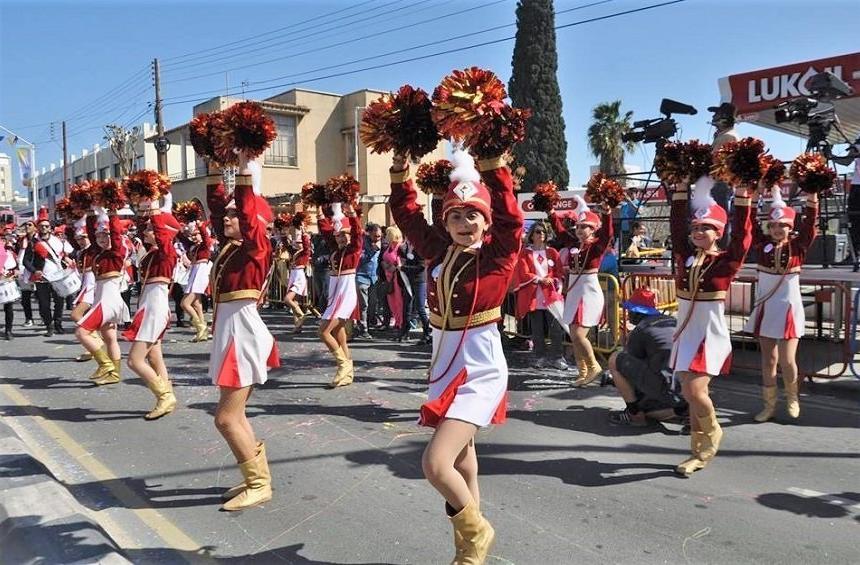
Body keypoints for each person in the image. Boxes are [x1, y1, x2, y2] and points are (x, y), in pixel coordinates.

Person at [390, 147, 522, 564]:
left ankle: (477, 530)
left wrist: (492, 167)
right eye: (455, 216)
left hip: (480, 370)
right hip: (444, 368)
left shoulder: (497, 257)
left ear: (486, 221)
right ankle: (469, 553)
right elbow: (408, 216)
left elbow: (511, 219)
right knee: (464, 460)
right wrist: (399, 169)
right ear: (444, 222)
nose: (464, 223)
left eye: (473, 215)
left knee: (435, 463)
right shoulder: (437, 251)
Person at [207, 153, 279, 511]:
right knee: (235, 415)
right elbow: (218, 205)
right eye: (229, 214)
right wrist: (215, 168)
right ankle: (256, 479)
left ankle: (259, 482)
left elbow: (250, 215)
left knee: (225, 418)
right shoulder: (234, 248)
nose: (228, 217)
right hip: (229, 331)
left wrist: (248, 168)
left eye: (236, 214)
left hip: (241, 335)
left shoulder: (256, 247)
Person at [669, 175, 752, 477]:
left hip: (708, 335)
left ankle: (714, 432)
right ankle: (697, 453)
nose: (699, 232)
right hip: (685, 333)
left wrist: (743, 196)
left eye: (707, 227)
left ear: (718, 232)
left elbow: (743, 236)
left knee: (694, 390)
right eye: (696, 227)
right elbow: (676, 227)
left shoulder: (725, 261)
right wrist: (680, 189)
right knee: (690, 396)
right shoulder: (685, 256)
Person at [744, 187, 817, 422]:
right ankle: (769, 405)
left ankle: (793, 397)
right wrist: (753, 198)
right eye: (774, 226)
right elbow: (747, 224)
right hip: (767, 309)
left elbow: (810, 224)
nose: (777, 229)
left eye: (782, 225)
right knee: (769, 360)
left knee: (787, 360)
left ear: (790, 227)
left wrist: (812, 197)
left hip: (788, 310)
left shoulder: (799, 246)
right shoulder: (761, 245)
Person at [123, 195, 182, 420]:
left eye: (150, 228)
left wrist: (156, 210)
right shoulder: (154, 253)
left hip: (154, 308)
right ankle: (169, 394)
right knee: (155, 357)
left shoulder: (167, 252)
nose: (145, 230)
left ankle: (163, 395)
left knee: (134, 360)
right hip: (149, 306)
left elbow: (160, 232)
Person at [550, 195, 614, 387]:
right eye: (578, 226)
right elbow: (560, 231)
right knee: (573, 333)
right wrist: (550, 212)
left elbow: (607, 234)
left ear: (593, 229)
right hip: (574, 292)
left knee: (579, 335)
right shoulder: (573, 245)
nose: (579, 230)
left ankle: (594, 366)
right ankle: (582, 371)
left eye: (584, 226)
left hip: (588, 292)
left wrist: (607, 212)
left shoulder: (596, 247)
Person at [607, 287, 686, 426]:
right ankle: (682, 410)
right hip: (688, 387)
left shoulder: (641, 329)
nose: (628, 314)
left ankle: (634, 414)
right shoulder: (671, 321)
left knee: (615, 359)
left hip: (667, 386)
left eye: (630, 311)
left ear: (637, 313)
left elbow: (630, 362)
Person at [74, 206, 132, 386]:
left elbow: (115, 234)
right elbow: (91, 234)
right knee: (109, 338)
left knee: (81, 331)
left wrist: (112, 212)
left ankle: (105, 364)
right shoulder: (98, 253)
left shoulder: (117, 251)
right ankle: (114, 374)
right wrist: (91, 212)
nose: (100, 239)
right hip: (104, 299)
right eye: (98, 237)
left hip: (108, 301)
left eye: (104, 236)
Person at [317, 203, 364, 388]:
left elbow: (358, 232)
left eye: (344, 234)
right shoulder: (336, 250)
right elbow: (326, 233)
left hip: (345, 292)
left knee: (323, 331)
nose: (340, 238)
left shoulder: (354, 249)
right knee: (338, 332)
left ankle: (343, 365)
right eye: (338, 235)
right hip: (335, 292)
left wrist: (352, 213)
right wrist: (320, 214)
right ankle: (347, 373)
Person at [512, 222, 567, 370]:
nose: (541, 234)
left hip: (551, 295)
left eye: (544, 231)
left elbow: (559, 272)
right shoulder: (525, 252)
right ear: (531, 235)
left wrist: (557, 284)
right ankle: (540, 357)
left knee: (555, 327)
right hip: (534, 296)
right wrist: (540, 279)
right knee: (537, 329)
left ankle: (557, 357)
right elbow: (523, 273)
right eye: (537, 231)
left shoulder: (553, 252)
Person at [25, 209, 71, 336]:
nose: (44, 228)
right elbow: (26, 261)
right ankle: (49, 325)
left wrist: (68, 261)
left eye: (46, 226)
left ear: (50, 228)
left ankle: (58, 324)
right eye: (41, 226)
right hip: (42, 278)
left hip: (58, 277)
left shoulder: (58, 241)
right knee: (44, 304)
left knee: (59, 302)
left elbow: (65, 256)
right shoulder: (33, 243)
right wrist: (35, 271)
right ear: (38, 228)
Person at [69, 218, 99, 363]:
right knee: (84, 316)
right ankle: (93, 347)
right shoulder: (81, 251)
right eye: (79, 238)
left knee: (76, 314)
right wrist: (71, 220)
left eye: (84, 237)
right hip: (85, 282)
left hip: (92, 283)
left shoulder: (93, 248)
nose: (81, 240)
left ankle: (96, 344)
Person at [830, 137, 860, 270]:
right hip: (857, 186)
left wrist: (831, 156)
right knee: (853, 220)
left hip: (858, 187)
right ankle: (853, 256)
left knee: (854, 220)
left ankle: (854, 256)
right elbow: (848, 161)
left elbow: (847, 161)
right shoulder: (858, 142)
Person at [181, 221, 213, 342]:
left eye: (196, 234)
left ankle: (200, 327)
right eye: (193, 235)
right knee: (196, 304)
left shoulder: (205, 245)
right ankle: (202, 331)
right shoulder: (194, 246)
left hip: (200, 272)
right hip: (194, 271)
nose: (194, 237)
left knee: (185, 303)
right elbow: (182, 239)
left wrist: (201, 225)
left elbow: (205, 236)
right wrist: (180, 228)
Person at [397, 238, 431, 344]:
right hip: (408, 280)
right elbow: (402, 259)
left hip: (420, 280)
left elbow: (421, 266)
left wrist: (403, 268)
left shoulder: (421, 248)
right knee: (407, 306)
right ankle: (404, 332)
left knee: (420, 307)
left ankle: (427, 333)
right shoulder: (405, 247)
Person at [355, 222, 382, 339]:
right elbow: (359, 259)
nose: (377, 238)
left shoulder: (382, 243)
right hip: (362, 276)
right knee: (363, 304)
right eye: (375, 236)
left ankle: (370, 324)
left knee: (373, 303)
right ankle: (363, 329)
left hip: (374, 278)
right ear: (369, 233)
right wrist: (372, 251)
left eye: (379, 236)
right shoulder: (362, 243)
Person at [284, 218, 312, 333]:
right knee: (294, 302)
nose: (297, 243)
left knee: (287, 299)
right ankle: (298, 326)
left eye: (299, 242)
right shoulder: (294, 251)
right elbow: (286, 244)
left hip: (299, 276)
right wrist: (284, 231)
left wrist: (304, 233)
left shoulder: (305, 252)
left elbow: (306, 246)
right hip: (293, 275)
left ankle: (301, 315)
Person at [380, 226, 406, 334]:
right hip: (388, 277)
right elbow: (383, 259)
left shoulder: (400, 247)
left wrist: (394, 267)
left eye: (387, 234)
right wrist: (384, 264)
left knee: (399, 301)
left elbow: (402, 262)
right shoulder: (389, 247)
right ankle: (396, 321)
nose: (385, 236)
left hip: (397, 278)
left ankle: (401, 323)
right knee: (391, 301)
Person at [1, 226, 19, 340]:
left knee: (9, 307)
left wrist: (15, 270)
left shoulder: (10, 250)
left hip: (7, 279)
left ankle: (8, 330)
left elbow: (15, 264)